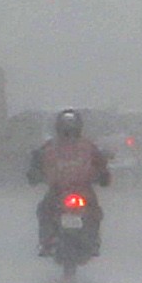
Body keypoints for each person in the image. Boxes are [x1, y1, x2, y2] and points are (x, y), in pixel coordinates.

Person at [26, 109, 111, 256]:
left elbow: (100, 163)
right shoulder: (51, 147)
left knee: (93, 212)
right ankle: (48, 240)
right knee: (45, 210)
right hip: (60, 190)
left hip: (79, 190)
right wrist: (34, 173)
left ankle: (91, 239)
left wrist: (103, 175)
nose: (68, 132)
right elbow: (37, 162)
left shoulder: (86, 147)